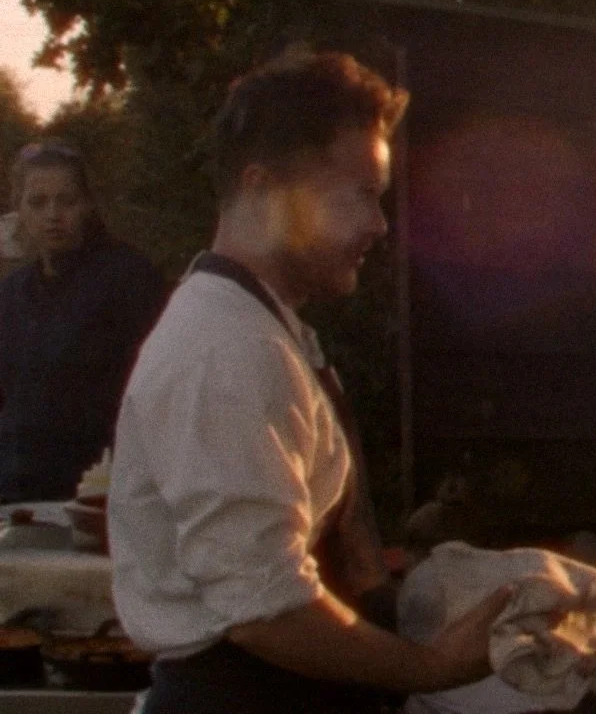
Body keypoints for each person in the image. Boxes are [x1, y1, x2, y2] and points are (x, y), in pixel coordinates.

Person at [110, 51, 510, 713]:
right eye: (361, 194)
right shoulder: (226, 350)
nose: (379, 226)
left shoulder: (264, 327)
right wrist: (432, 668)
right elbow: (267, 613)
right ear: (265, 188)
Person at [0, 141, 165, 503]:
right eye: (38, 202)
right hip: (14, 493)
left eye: (66, 201)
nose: (53, 215)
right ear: (19, 209)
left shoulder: (129, 281)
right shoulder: (12, 294)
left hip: (96, 493)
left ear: (88, 204)